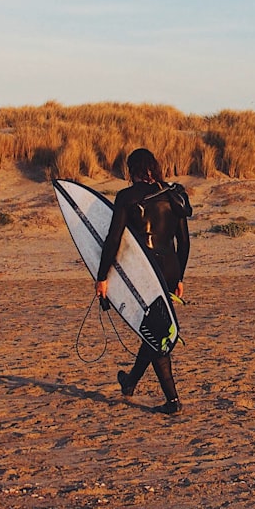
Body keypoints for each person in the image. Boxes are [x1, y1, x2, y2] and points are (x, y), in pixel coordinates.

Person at [96, 148, 192, 415]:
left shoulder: (127, 197)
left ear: (132, 170)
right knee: (152, 329)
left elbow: (113, 240)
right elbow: (183, 243)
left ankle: (172, 401)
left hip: (145, 272)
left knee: (158, 333)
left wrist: (102, 277)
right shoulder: (173, 195)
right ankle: (129, 383)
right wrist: (179, 277)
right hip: (170, 269)